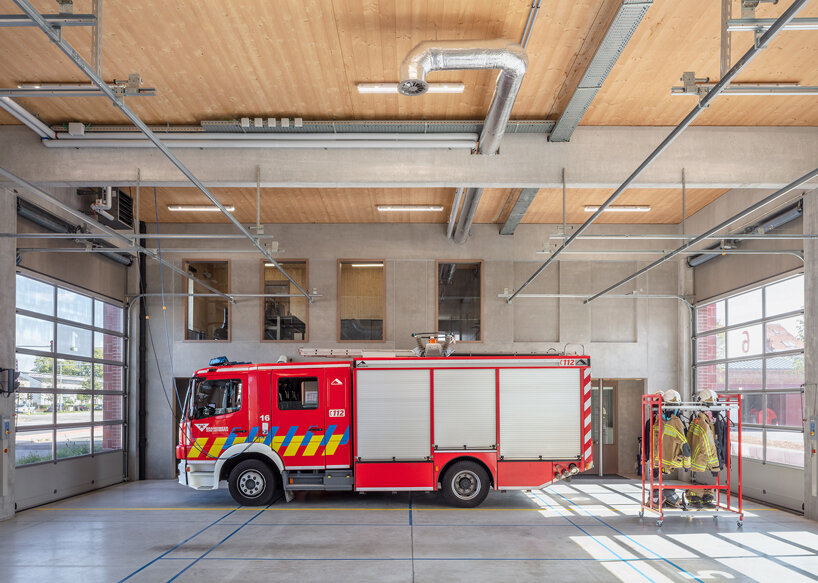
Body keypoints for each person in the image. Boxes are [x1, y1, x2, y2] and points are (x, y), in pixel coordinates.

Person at [650, 389, 691, 508]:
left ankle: (660, 498)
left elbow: (684, 445)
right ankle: (661, 497)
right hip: (667, 462)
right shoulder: (659, 422)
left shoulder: (673, 423)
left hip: (668, 462)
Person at [687, 388, 721, 508]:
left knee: (701, 481)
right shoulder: (703, 423)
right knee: (702, 480)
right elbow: (708, 445)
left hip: (698, 459)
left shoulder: (699, 421)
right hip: (703, 460)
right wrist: (715, 466)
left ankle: (703, 496)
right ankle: (697, 495)